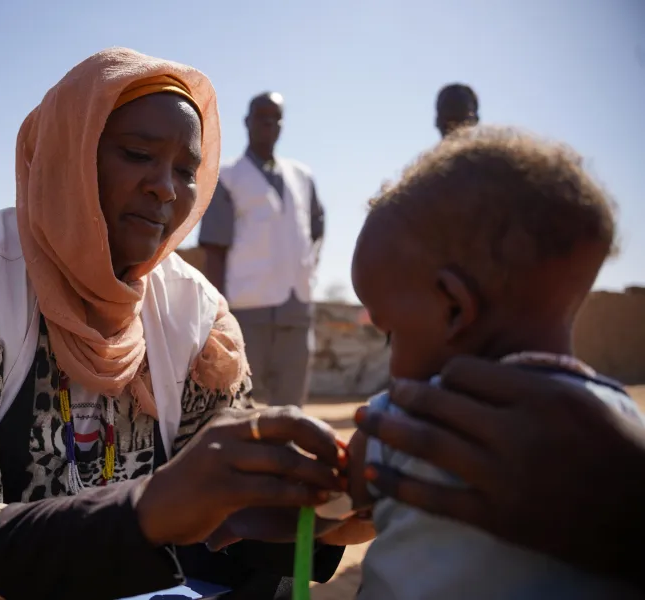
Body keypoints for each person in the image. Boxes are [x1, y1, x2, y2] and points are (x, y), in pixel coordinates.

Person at [0, 48, 356, 600]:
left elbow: (219, 501)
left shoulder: (193, 310)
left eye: (187, 170)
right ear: (70, 155)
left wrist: (336, 506)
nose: (166, 186)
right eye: (137, 153)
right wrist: (145, 513)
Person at [345, 126, 644, 598]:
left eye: (390, 332)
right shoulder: (619, 429)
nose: (392, 354)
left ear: (454, 307)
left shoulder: (410, 420)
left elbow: (342, 490)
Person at [354, 356, 645, 594]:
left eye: (391, 335)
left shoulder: (399, 413)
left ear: (455, 306)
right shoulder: (625, 418)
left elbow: (337, 496)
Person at [199, 91, 324, 408]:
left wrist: (309, 267)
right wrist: (216, 314)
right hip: (246, 309)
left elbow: (317, 226)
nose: (269, 124)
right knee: (245, 403)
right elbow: (214, 248)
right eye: (261, 117)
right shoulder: (227, 177)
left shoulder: (303, 177)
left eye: (276, 118)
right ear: (247, 122)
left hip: (297, 307)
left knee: (291, 403)